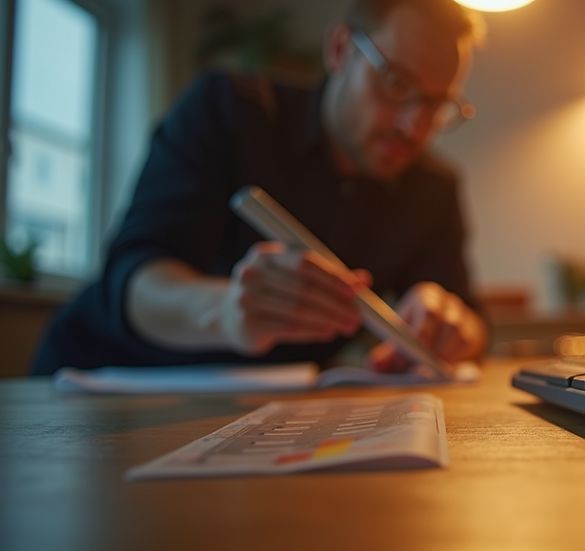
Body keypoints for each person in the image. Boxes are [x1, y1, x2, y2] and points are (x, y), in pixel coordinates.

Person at [30, 0, 489, 376]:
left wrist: (451, 324)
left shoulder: (433, 188)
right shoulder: (228, 110)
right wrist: (227, 311)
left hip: (263, 415)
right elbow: (134, 281)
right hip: (103, 383)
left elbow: (470, 318)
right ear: (341, 49)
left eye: (436, 103)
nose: (415, 125)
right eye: (395, 82)